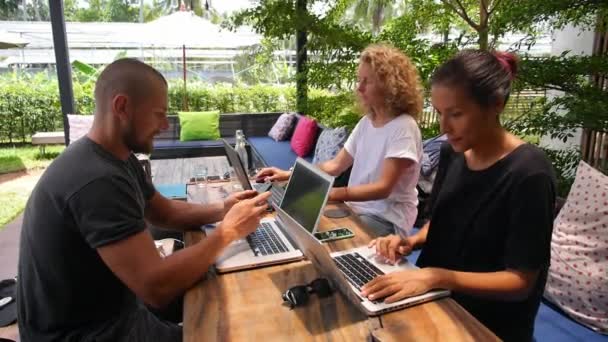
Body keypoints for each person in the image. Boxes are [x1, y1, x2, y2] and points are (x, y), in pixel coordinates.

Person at [17, 58, 271, 342]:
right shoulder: (97, 180)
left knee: (216, 282)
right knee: (238, 331)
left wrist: (223, 210)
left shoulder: (117, 158)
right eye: (159, 114)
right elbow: (156, 287)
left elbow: (164, 213)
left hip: (114, 307)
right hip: (88, 333)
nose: (164, 125)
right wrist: (228, 232)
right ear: (122, 107)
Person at [361, 50, 556, 342]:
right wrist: (410, 241)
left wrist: (437, 276)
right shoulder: (452, 152)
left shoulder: (530, 174)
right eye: (440, 113)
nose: (443, 128)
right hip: (433, 302)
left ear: (496, 105)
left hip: (484, 325)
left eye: (456, 114)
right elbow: (441, 220)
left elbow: (520, 281)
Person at [256, 44, 424, 237]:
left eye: (367, 81)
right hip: (355, 209)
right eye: (358, 80)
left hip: (385, 219)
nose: (359, 88)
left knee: (318, 239)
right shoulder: (366, 123)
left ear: (389, 85)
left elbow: (383, 188)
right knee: (299, 223)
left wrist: (333, 194)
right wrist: (289, 174)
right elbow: (335, 165)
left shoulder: (403, 127)